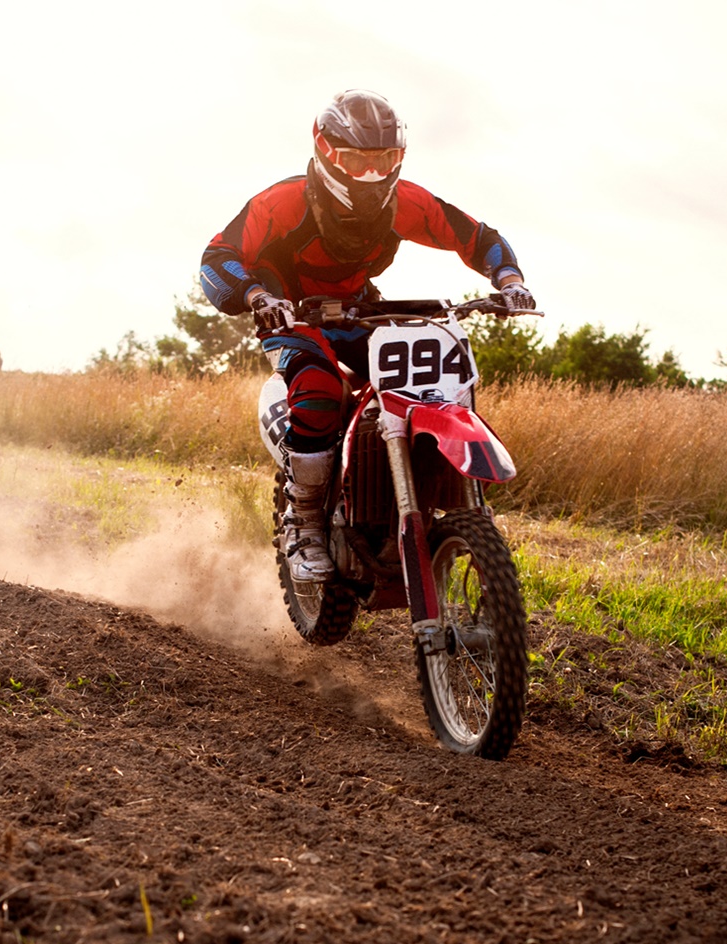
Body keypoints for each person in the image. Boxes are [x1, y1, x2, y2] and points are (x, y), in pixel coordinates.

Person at [199, 90, 533, 582]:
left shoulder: (405, 202)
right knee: (318, 388)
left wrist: (510, 281)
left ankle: (417, 501)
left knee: (427, 376)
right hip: (289, 315)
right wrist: (255, 297)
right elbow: (217, 257)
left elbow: (477, 237)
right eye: (357, 160)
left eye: (385, 160)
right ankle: (305, 522)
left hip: (358, 309)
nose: (371, 174)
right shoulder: (284, 201)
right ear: (326, 151)